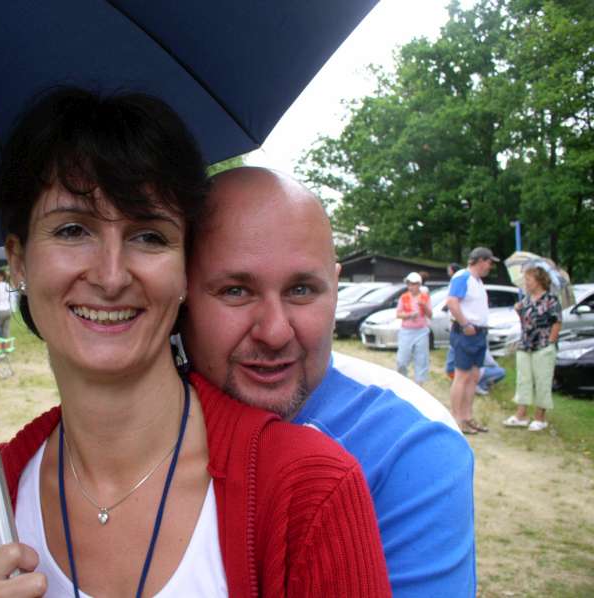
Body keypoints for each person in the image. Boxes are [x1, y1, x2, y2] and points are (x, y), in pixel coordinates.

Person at [0, 89, 390, 597]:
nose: (110, 276)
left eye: (148, 235)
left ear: (185, 270)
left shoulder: (309, 491)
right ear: (18, 260)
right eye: (73, 230)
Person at [183, 166, 476, 597]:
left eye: (301, 290)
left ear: (335, 289)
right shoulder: (133, 426)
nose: (275, 332)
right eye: (236, 291)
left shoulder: (408, 449)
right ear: (180, 294)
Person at [446, 247, 499, 435]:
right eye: (489, 262)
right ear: (481, 260)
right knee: (462, 375)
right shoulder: (463, 277)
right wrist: (465, 324)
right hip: (466, 333)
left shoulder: (477, 281)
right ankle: (456, 419)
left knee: (474, 376)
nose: (490, 267)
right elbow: (452, 301)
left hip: (479, 333)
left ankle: (467, 417)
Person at [503, 266, 562, 431]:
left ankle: (540, 418)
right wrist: (518, 311)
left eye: (528, 280)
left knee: (542, 380)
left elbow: (557, 322)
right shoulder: (526, 299)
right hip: (525, 344)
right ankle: (521, 415)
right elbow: (526, 322)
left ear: (539, 281)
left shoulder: (551, 300)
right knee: (523, 379)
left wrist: (550, 341)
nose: (526, 283)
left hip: (543, 345)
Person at [395, 272, 432, 386]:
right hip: (406, 331)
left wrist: (423, 306)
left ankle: (419, 385)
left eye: (414, 284)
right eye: (409, 284)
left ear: (419, 284)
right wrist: (409, 315)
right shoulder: (404, 297)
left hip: (421, 331)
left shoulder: (425, 297)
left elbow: (430, 315)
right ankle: (402, 382)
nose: (411, 287)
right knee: (402, 360)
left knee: (421, 359)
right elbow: (398, 314)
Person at [444, 262, 462, 377]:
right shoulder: (454, 281)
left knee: (454, 348)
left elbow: (452, 300)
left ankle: (453, 372)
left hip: (456, 321)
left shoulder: (457, 282)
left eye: (449, 269)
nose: (447, 272)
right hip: (454, 320)